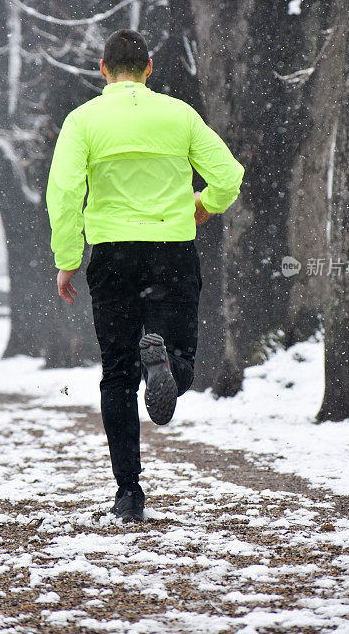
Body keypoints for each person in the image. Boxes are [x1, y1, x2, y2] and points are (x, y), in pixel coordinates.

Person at [46, 29, 244, 522]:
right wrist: (204, 204)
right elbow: (229, 175)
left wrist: (68, 257)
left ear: (102, 68)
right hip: (171, 251)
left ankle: (128, 492)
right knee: (183, 357)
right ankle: (169, 367)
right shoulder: (178, 115)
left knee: (116, 375)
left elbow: (65, 194)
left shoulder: (83, 121)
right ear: (150, 68)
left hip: (113, 256)